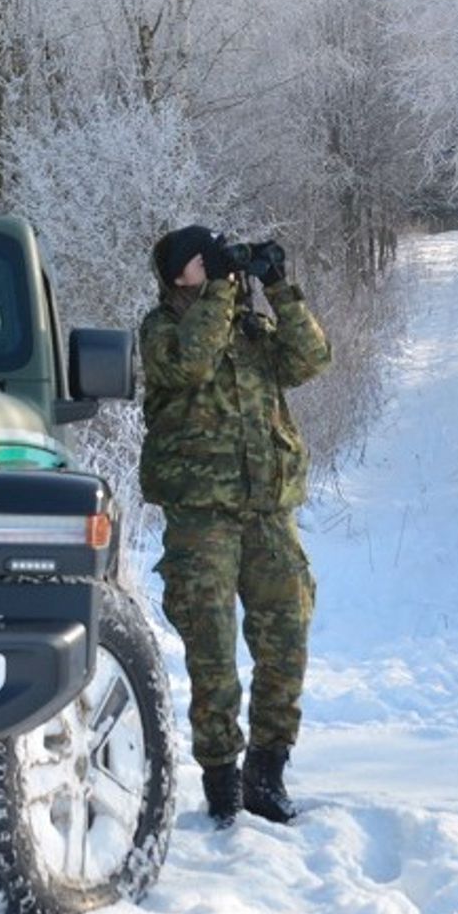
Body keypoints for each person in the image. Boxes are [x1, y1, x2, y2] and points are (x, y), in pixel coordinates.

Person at [138, 225, 331, 828]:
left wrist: (278, 286)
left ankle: (267, 772)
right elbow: (191, 364)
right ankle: (221, 781)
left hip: (269, 513)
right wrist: (223, 289)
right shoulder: (162, 330)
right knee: (212, 653)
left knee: (286, 642)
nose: (219, 269)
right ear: (177, 275)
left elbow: (311, 358)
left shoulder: (251, 330)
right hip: (203, 521)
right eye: (204, 261)